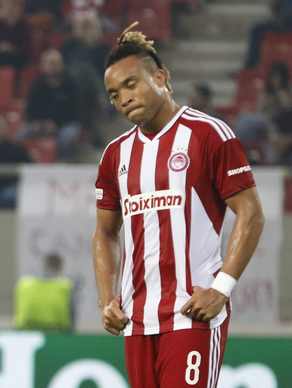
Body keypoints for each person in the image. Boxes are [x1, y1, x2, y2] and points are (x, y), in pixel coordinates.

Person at [93, 23, 265, 388]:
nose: (123, 98)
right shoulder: (115, 155)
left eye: (130, 84)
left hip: (192, 313)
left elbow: (251, 213)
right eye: (113, 94)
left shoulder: (208, 134)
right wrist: (107, 298)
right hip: (137, 319)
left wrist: (221, 289)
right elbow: (106, 232)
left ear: (160, 77)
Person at [20, 49, 82, 161]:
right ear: (43, 66)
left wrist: (56, 125)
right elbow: (30, 110)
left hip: (64, 124)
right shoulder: (36, 85)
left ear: (62, 65)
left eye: (55, 63)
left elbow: (75, 112)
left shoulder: (70, 84)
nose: (52, 67)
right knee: (22, 135)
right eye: (49, 63)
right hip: (40, 124)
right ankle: (27, 162)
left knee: (67, 137)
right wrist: (39, 125)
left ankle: (60, 162)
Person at [60, 11, 112, 147]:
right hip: (73, 86)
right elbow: (64, 69)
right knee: (82, 69)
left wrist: (92, 46)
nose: (86, 31)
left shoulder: (104, 49)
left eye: (90, 27)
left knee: (87, 74)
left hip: (98, 88)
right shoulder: (70, 46)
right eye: (83, 27)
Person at [14, 253, 74, 332]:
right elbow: (72, 315)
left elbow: (17, 312)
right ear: (60, 267)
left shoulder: (23, 285)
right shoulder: (65, 286)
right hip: (57, 333)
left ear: (44, 265)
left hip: (27, 332)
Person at [0, 0, 32, 70]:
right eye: (7, 7)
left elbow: (25, 46)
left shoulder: (24, 25)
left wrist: (11, 48)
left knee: (11, 59)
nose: (9, 10)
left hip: (16, 55)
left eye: (12, 7)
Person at [244, 0, 292, 68]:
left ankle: (251, 64)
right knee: (257, 28)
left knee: (257, 29)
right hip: (282, 21)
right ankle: (251, 65)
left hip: (286, 22)